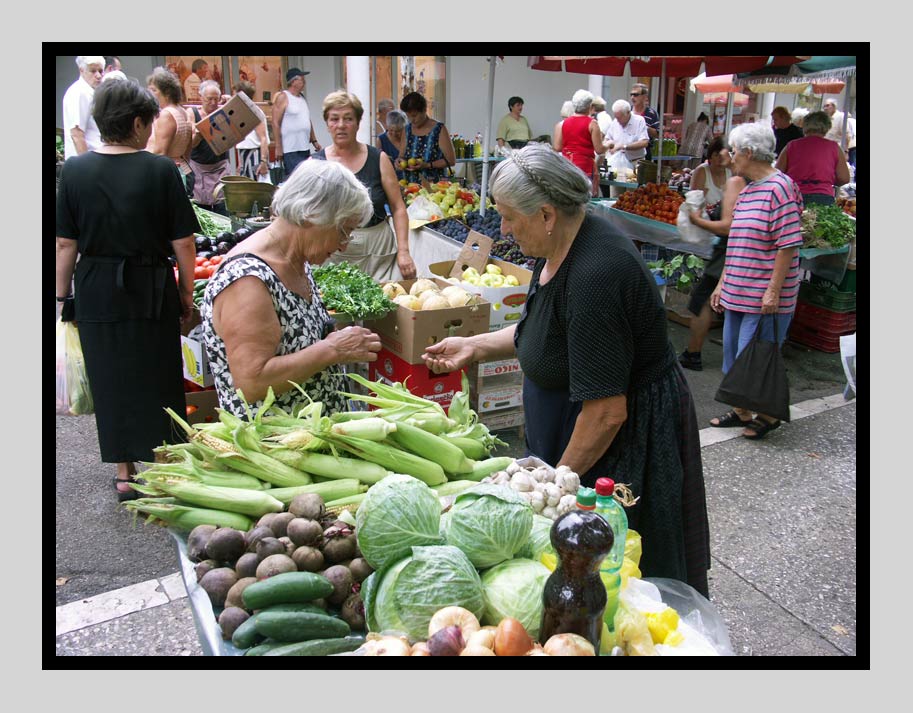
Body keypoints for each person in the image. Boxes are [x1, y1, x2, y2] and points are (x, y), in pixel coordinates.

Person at [422, 143, 711, 596]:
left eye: (510, 217)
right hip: (583, 427)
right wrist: (474, 345)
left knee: (623, 575)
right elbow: (545, 330)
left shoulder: (597, 273)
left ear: (546, 214)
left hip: (625, 440)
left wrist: (554, 489)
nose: (503, 228)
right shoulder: (559, 243)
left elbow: (606, 414)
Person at [55, 78, 199, 500]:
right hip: (151, 286)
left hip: (97, 287)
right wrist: (186, 293)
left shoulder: (76, 169)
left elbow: (65, 243)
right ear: (138, 123)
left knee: (111, 375)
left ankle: (124, 472)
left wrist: (60, 296)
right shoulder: (159, 169)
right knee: (157, 373)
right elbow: (184, 242)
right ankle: (165, 463)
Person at [200, 159, 382, 419]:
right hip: (274, 447)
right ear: (312, 215)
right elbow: (253, 382)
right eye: (344, 231)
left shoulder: (296, 260)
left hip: (311, 440)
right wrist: (332, 350)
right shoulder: (247, 281)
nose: (344, 244)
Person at [708, 123, 803, 440]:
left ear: (748, 153)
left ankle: (767, 415)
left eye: (733, 152)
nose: (730, 158)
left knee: (758, 358)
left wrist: (773, 291)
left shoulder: (781, 188)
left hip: (762, 296)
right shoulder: (748, 191)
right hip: (738, 291)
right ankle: (741, 411)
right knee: (735, 358)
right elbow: (736, 244)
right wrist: (722, 283)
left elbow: (787, 244)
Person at [313, 91, 415, 282]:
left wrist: (404, 251)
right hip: (333, 254)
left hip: (377, 252)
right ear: (327, 124)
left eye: (348, 119)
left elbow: (398, 208)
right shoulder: (316, 164)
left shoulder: (379, 159)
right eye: (334, 119)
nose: (341, 125)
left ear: (358, 123)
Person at [679, 138, 748, 371]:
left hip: (729, 246)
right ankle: (741, 362)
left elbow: (728, 225)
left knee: (704, 299)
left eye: (731, 152)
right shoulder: (769, 181)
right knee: (731, 301)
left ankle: (694, 353)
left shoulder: (737, 180)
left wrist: (697, 220)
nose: (727, 157)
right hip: (740, 246)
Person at [775, 110, 851, 205]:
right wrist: (826, 180)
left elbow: (777, 173)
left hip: (793, 195)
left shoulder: (791, 146)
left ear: (805, 126)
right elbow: (844, 178)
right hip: (823, 197)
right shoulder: (834, 148)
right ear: (827, 127)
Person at [146, 67, 194, 194]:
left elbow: (160, 152)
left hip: (169, 176)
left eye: (153, 90)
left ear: (166, 93)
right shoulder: (183, 111)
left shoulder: (166, 115)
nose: (149, 93)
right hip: (183, 170)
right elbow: (188, 148)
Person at [188, 80, 233, 215]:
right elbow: (190, 144)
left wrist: (229, 101)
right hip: (199, 167)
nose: (213, 103)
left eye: (216, 99)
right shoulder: (192, 113)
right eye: (209, 99)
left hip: (220, 166)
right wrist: (200, 132)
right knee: (202, 209)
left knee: (223, 206)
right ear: (201, 97)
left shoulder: (221, 112)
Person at [272, 68, 321, 179]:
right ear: (293, 82)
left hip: (303, 146)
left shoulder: (302, 98)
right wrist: (278, 147)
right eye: (302, 80)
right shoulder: (283, 97)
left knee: (306, 177)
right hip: (290, 148)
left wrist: (314, 141)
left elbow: (307, 120)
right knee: (295, 178)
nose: (304, 82)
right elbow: (275, 122)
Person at [554, 89, 603, 197]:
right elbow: (599, 149)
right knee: (584, 198)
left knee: (569, 197)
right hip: (585, 166)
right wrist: (608, 145)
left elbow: (557, 147)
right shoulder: (592, 123)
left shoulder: (562, 124)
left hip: (567, 165)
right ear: (589, 106)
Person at [400, 91, 456, 184]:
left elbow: (451, 160)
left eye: (414, 115)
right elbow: (401, 155)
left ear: (424, 110)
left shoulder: (439, 129)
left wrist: (427, 165)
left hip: (435, 187)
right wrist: (399, 162)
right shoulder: (407, 130)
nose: (411, 120)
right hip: (410, 185)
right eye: (408, 116)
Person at [62, 56, 105, 160]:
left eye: (100, 71)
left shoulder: (89, 91)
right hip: (87, 160)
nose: (98, 75)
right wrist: (86, 164)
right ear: (81, 70)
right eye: (93, 71)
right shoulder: (79, 92)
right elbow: (77, 134)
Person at [233, 80, 271, 181]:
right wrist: (240, 164)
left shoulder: (254, 111)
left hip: (254, 154)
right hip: (245, 154)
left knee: (254, 188)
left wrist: (263, 162)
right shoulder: (242, 111)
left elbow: (263, 138)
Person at [603, 99, 650, 169]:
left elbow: (644, 142)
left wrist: (623, 146)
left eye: (620, 117)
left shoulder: (639, 121)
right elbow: (607, 138)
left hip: (635, 162)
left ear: (628, 113)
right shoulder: (615, 122)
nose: (618, 120)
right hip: (618, 162)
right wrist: (608, 144)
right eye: (616, 117)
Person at [630, 83, 660, 160]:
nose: (632, 97)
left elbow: (657, 134)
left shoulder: (651, 113)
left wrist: (643, 127)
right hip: (628, 150)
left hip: (645, 151)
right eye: (631, 95)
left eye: (636, 95)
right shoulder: (627, 111)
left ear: (644, 97)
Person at [376, 109, 407, 179]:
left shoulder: (409, 139)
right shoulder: (381, 140)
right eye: (391, 130)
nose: (394, 134)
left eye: (398, 131)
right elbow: (378, 164)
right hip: (390, 179)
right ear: (387, 126)